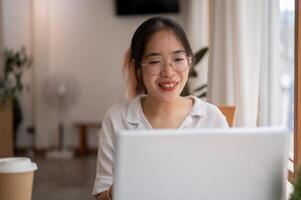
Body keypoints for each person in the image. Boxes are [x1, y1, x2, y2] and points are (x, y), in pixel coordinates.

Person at [93, 16, 228, 200]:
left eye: (178, 59)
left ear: (189, 61)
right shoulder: (116, 119)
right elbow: (101, 196)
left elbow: (225, 187)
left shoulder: (211, 118)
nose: (169, 72)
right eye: (155, 61)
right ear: (137, 68)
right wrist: (126, 183)